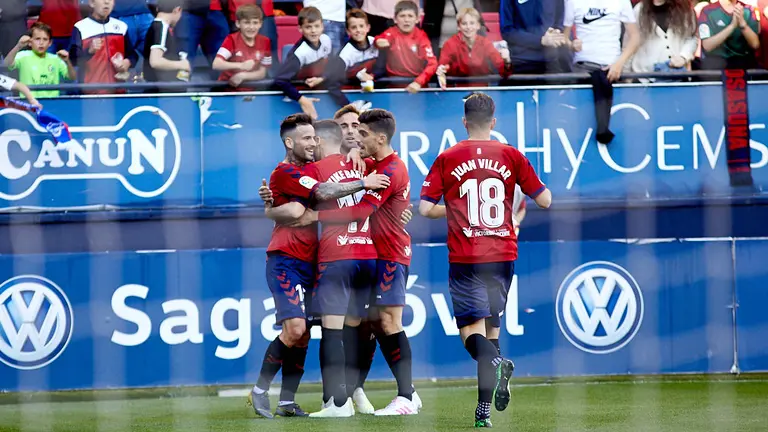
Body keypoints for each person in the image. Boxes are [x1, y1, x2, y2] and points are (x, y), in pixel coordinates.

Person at [418, 92, 552, 428]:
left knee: (470, 333)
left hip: (466, 256)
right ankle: (482, 413)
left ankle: (496, 364)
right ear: (493, 122)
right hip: (503, 254)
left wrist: (456, 207)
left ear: (464, 122)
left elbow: (424, 208)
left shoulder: (448, 156)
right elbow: (546, 200)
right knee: (492, 330)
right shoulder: (511, 155)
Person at [249, 113, 388, 419]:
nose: (312, 143)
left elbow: (304, 203)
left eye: (315, 137)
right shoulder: (287, 171)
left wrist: (271, 208)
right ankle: (260, 390)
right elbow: (317, 195)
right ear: (290, 142)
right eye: (307, 138)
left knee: (307, 333)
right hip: (285, 259)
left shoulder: (313, 169)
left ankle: (287, 401)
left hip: (315, 261)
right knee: (295, 328)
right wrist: (363, 181)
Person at [288, 109, 422, 416]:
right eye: (350, 130)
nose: (355, 136)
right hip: (371, 255)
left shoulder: (380, 169)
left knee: (369, 325)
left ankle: (343, 402)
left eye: (361, 132)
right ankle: (367, 392)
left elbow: (353, 207)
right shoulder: (365, 166)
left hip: (372, 254)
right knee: (367, 325)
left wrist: (311, 214)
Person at [273, 7, 348, 118]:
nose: (313, 31)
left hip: (319, 86)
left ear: (322, 26)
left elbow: (331, 64)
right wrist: (302, 100)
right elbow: (280, 80)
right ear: (300, 29)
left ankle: (349, 109)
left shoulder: (326, 40)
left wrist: (322, 78)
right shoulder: (299, 53)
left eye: (317, 26)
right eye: (308, 27)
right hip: (301, 91)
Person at [69, 0, 137, 92]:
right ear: (92, 3)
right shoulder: (81, 27)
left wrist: (127, 62)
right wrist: (89, 51)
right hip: (91, 93)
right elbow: (73, 60)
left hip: (119, 91)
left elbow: (132, 55)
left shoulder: (121, 27)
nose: (106, 2)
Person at [563, 0, 640, 81]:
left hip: (612, 68)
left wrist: (619, 63)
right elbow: (564, 37)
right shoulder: (572, 2)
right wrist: (572, 45)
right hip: (583, 66)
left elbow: (635, 37)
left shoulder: (622, 2)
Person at [436, 7, 511, 89]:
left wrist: (507, 61)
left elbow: (504, 71)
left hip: (481, 92)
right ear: (458, 26)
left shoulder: (485, 43)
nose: (468, 27)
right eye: (464, 24)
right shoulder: (449, 44)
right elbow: (443, 67)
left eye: (472, 23)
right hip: (456, 91)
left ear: (478, 25)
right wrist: (442, 71)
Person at [375, 0, 438, 93]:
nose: (406, 20)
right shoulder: (391, 33)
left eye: (410, 16)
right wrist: (377, 41)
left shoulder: (421, 37)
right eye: (402, 16)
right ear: (395, 19)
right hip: (394, 88)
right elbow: (378, 39)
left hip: (417, 88)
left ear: (417, 19)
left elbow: (432, 64)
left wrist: (419, 82)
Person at [628, 0, 698, 80]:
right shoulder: (639, 10)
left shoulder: (685, 10)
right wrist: (626, 74)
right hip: (645, 78)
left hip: (678, 76)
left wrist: (683, 56)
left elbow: (692, 38)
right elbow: (630, 43)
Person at [4, 23, 77, 99]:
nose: (41, 43)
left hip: (53, 103)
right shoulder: (22, 56)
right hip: (29, 103)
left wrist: (68, 61)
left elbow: (72, 78)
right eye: (37, 39)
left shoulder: (56, 59)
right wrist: (18, 46)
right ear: (29, 42)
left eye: (45, 39)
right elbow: (6, 64)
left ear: (50, 43)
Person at [500, 0, 573, 74]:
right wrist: (540, 40)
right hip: (522, 62)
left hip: (552, 60)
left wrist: (555, 34)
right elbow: (507, 31)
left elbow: (560, 23)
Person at [213, 4, 272, 90]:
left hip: (250, 93)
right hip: (227, 91)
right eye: (246, 23)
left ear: (260, 24)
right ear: (238, 23)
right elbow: (216, 64)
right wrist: (241, 65)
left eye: (255, 23)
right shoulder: (231, 40)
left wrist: (243, 76)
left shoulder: (265, 42)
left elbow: (262, 73)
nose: (251, 27)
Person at [698, 0, 760, 69]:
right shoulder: (707, 11)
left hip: (743, 64)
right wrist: (732, 26)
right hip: (715, 64)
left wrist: (742, 23)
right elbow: (707, 46)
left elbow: (755, 44)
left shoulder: (749, 10)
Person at [143, 0, 190, 87]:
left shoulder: (158, 26)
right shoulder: (161, 28)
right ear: (177, 10)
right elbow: (155, 61)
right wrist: (182, 64)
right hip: (161, 90)